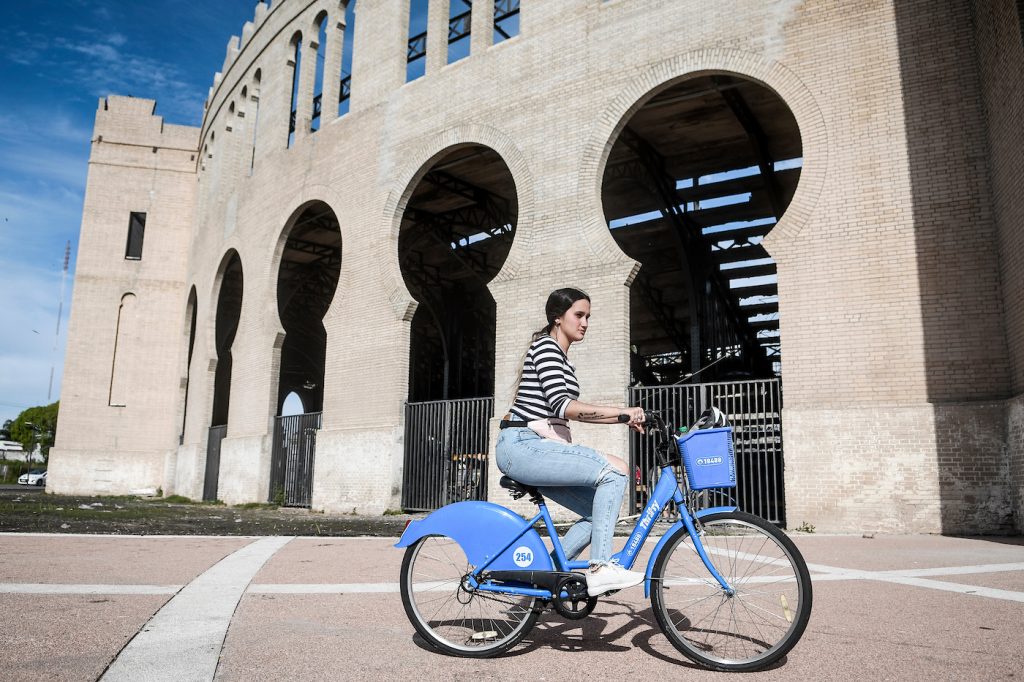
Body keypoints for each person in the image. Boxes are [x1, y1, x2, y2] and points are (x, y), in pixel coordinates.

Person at [495, 287, 646, 597]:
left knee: (598, 511)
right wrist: (622, 411)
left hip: (534, 447)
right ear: (557, 317)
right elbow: (564, 406)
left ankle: (545, 578)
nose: (585, 322)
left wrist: (624, 418)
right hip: (521, 445)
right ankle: (601, 568)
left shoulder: (562, 359)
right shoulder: (546, 348)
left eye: (588, 316)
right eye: (579, 315)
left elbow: (571, 412)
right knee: (615, 471)